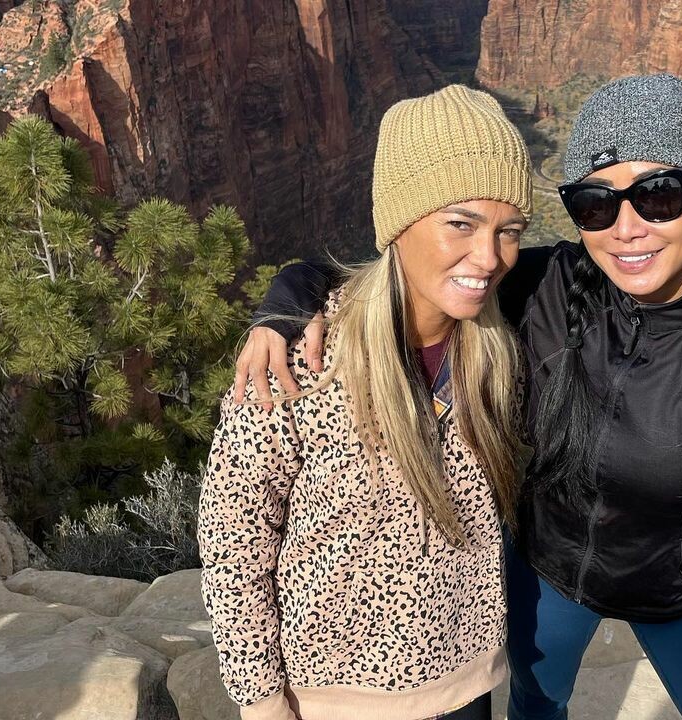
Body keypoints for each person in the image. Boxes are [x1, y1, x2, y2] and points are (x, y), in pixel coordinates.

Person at [240, 73, 682, 720]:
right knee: (537, 703)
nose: (627, 228)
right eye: (596, 204)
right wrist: (285, 303)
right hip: (548, 574)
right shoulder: (544, 287)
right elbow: (401, 269)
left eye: (658, 194)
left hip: (679, 590)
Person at [198, 84, 534, 720]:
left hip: (467, 684)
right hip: (336, 699)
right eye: (460, 223)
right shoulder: (301, 361)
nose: (489, 257)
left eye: (509, 231)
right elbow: (234, 539)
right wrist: (261, 700)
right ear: (399, 224)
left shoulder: (498, 351)